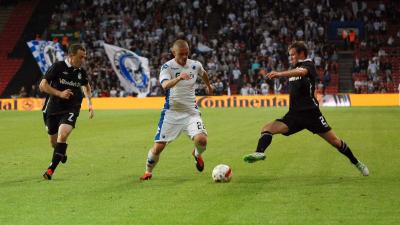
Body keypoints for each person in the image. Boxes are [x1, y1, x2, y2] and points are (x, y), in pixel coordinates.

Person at [243, 41, 369, 176]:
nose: (290, 58)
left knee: (335, 142)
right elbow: (309, 86)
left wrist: (279, 74)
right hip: (294, 115)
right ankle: (259, 152)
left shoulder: (308, 64)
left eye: (292, 55)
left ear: (301, 53)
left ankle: (356, 162)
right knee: (267, 128)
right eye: (289, 55)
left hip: (311, 115)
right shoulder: (294, 69)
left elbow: (302, 72)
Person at [140, 39, 213, 180]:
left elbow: (203, 73)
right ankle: (148, 171)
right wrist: (179, 78)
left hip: (191, 112)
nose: (184, 57)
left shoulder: (195, 65)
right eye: (181, 54)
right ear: (174, 53)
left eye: (187, 53)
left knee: (202, 140)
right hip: (171, 113)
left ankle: (197, 154)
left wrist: (209, 86)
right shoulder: (167, 67)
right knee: (158, 147)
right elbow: (165, 85)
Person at [40, 44, 94, 180]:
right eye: (80, 57)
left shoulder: (81, 72)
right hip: (53, 109)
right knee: (54, 143)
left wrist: (90, 103)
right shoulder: (58, 67)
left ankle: (50, 170)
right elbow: (43, 85)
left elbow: (86, 87)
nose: (83, 60)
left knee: (62, 135)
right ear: (71, 56)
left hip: (72, 108)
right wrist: (60, 93)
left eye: (84, 57)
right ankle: (61, 153)